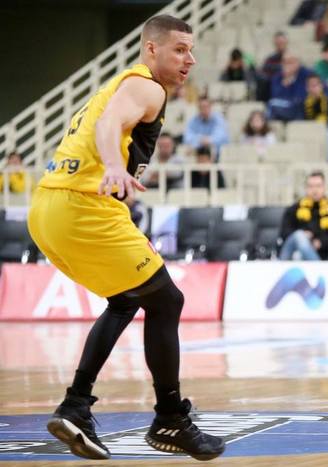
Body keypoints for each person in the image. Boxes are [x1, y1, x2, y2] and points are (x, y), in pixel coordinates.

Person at [26, 15, 224, 461]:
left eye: (191, 50)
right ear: (151, 49)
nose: (190, 59)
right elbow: (108, 124)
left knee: (126, 300)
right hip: (83, 207)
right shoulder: (146, 87)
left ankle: (76, 406)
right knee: (167, 301)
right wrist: (114, 167)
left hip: (48, 209)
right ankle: (170, 419)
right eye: (180, 49)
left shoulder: (124, 84)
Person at [279, 171, 328, 260]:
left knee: (300, 255)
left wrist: (320, 242)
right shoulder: (295, 208)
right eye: (311, 186)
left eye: (318, 186)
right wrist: (303, 236)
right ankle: (316, 267)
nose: (314, 190)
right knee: (299, 236)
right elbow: (284, 233)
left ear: (324, 188)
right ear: (306, 188)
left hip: (321, 253)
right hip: (293, 251)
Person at [267, 53, 312, 123]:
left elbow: (301, 96)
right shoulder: (277, 77)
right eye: (284, 62)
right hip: (283, 107)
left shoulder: (307, 75)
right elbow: (275, 96)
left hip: (301, 108)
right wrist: (284, 84)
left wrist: (292, 82)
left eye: (290, 62)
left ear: (298, 63)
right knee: (272, 104)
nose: (287, 65)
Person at [304, 74, 328, 162]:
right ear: (307, 88)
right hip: (308, 131)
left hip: (325, 131)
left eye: (315, 85)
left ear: (321, 86)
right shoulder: (304, 102)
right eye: (311, 86)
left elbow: (327, 122)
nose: (313, 88)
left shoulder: (326, 100)